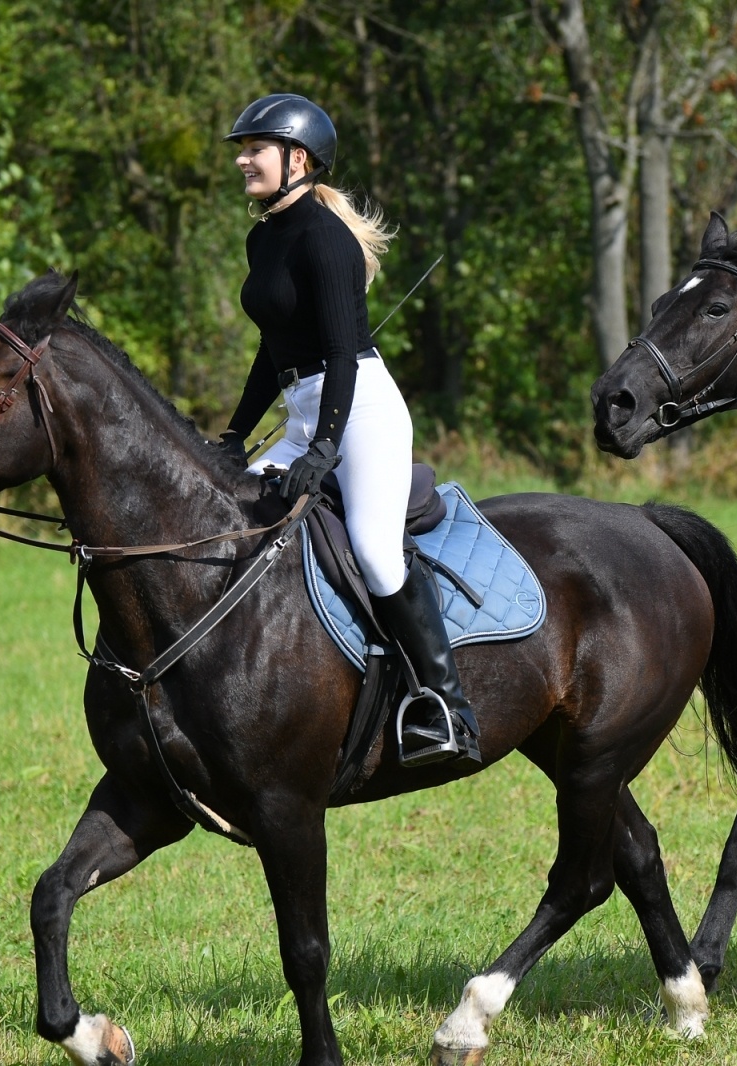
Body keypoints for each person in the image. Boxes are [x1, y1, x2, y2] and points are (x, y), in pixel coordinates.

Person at [217, 93, 481, 765]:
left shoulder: (323, 238)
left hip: (360, 410)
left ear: (296, 158)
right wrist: (234, 435)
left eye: (255, 148)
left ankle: (444, 706)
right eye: (243, 149)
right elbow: (270, 349)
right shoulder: (263, 236)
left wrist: (326, 447)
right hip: (307, 409)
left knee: (373, 547)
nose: (243, 159)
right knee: (229, 521)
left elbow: (339, 355)